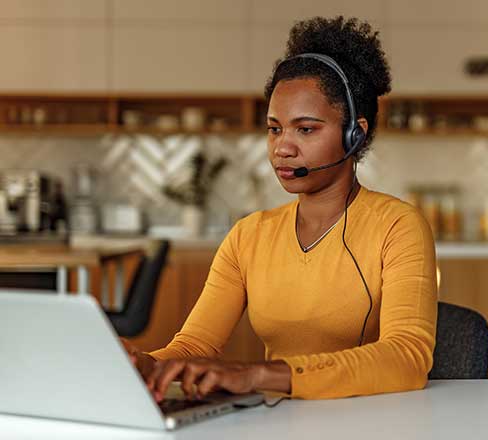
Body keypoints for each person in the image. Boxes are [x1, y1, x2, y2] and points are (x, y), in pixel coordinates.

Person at [123, 16, 438, 401]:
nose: (282, 148)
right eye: (275, 129)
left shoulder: (397, 226)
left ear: (354, 133)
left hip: (371, 419)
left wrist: (259, 374)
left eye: (305, 129)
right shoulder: (249, 236)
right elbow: (194, 346)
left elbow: (407, 358)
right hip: (279, 420)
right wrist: (144, 365)